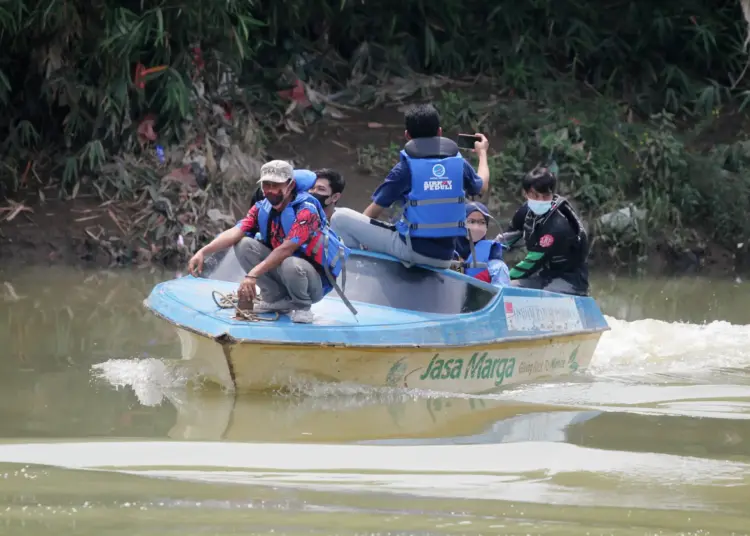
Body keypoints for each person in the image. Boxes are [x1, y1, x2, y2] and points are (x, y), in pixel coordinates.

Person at [187, 160, 351, 323]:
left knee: (291, 263)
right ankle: (274, 299)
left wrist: (252, 275)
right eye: (267, 185)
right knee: (243, 244)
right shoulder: (262, 207)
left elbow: (287, 248)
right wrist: (203, 251)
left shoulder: (307, 210)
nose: (270, 190)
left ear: (290, 185)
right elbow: (236, 231)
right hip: (284, 272)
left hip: (312, 283)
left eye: (276, 185)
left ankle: (302, 307)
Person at [330, 103, 490, 269]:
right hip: (446, 255)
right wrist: (482, 153)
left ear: (407, 135)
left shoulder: (405, 169)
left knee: (339, 217)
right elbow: (482, 185)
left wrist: (361, 236)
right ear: (439, 132)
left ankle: (352, 273)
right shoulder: (460, 165)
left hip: (412, 251)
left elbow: (373, 213)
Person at [496, 166, 589, 295]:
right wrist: (486, 260)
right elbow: (506, 239)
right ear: (525, 193)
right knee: (503, 288)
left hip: (569, 279)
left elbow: (531, 263)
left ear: (552, 194)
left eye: (546, 196)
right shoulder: (525, 212)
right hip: (544, 275)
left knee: (536, 295)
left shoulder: (558, 226)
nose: (540, 201)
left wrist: (500, 277)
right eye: (535, 195)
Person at [455, 201, 510, 287]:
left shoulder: (493, 254)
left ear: (487, 227)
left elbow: (501, 290)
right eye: (471, 221)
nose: (476, 227)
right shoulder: (447, 249)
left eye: (482, 222)